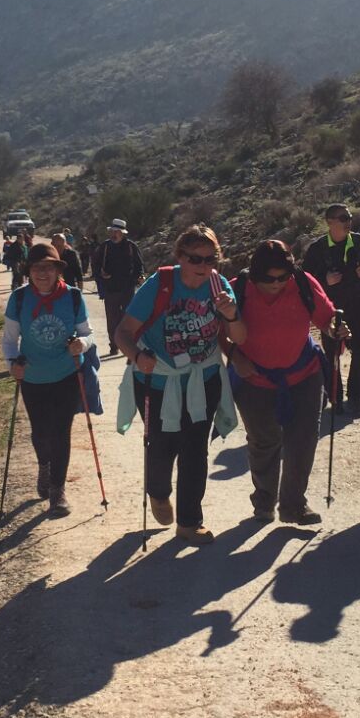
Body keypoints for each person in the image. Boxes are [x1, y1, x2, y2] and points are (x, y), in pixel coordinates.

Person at [115, 225, 241, 544]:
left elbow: (239, 338)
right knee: (161, 448)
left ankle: (189, 521)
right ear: (180, 257)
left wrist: (231, 314)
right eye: (195, 258)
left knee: (194, 451)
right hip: (156, 382)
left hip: (203, 380)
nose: (203, 266)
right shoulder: (162, 284)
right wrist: (136, 355)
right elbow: (123, 332)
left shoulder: (219, 286)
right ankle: (158, 492)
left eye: (210, 259)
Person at [225, 239, 346, 526]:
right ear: (255, 274)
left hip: (305, 373)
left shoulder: (302, 283)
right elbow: (217, 328)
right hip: (254, 379)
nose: (277, 283)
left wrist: (335, 328)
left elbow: (326, 317)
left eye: (283, 277)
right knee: (264, 442)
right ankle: (264, 501)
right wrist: (233, 355)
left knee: (302, 441)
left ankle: (293, 505)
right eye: (269, 279)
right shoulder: (237, 289)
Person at [2, 243, 96, 517]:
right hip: (32, 377)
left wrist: (82, 344)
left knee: (60, 432)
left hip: (66, 375)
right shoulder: (19, 299)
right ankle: (44, 465)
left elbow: (87, 333)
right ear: (29, 271)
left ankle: (58, 491)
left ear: (57, 270)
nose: (42, 273)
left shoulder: (74, 297)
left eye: (48, 267)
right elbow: (9, 341)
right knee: (40, 432)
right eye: (36, 267)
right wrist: (12, 365)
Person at [302, 204, 360, 413]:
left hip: (356, 305)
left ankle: (355, 397)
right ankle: (336, 398)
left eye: (349, 217)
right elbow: (306, 279)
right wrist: (325, 280)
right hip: (330, 309)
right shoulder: (317, 248)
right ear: (330, 222)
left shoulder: (359, 241)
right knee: (332, 354)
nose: (348, 221)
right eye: (343, 218)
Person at [95, 218, 145, 341]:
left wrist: (138, 277)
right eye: (112, 231)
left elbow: (139, 265)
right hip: (110, 289)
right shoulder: (105, 246)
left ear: (122, 233)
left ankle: (129, 343)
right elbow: (96, 265)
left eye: (116, 232)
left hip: (128, 289)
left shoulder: (131, 246)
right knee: (112, 318)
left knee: (128, 317)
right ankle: (113, 344)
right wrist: (101, 275)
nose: (114, 234)